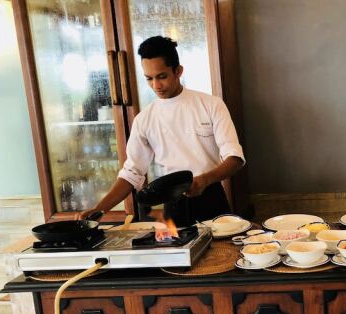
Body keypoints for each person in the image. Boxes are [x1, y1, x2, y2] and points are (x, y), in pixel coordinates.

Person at [79, 36, 245, 225]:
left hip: (212, 198)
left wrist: (203, 181)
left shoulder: (211, 105)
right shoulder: (144, 119)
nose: (156, 85)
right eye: (149, 78)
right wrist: (99, 209)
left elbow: (235, 159)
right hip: (173, 205)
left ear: (178, 71)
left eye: (162, 76)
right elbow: (131, 173)